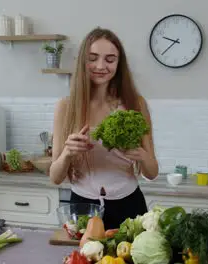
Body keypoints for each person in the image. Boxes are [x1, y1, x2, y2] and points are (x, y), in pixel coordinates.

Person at [49, 27, 159, 230]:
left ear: (119, 64)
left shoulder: (135, 104)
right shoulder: (66, 107)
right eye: (93, 58)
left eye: (110, 59)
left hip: (129, 206)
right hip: (83, 208)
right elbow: (55, 177)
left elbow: (152, 172)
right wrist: (67, 153)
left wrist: (141, 155)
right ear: (83, 61)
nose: (101, 66)